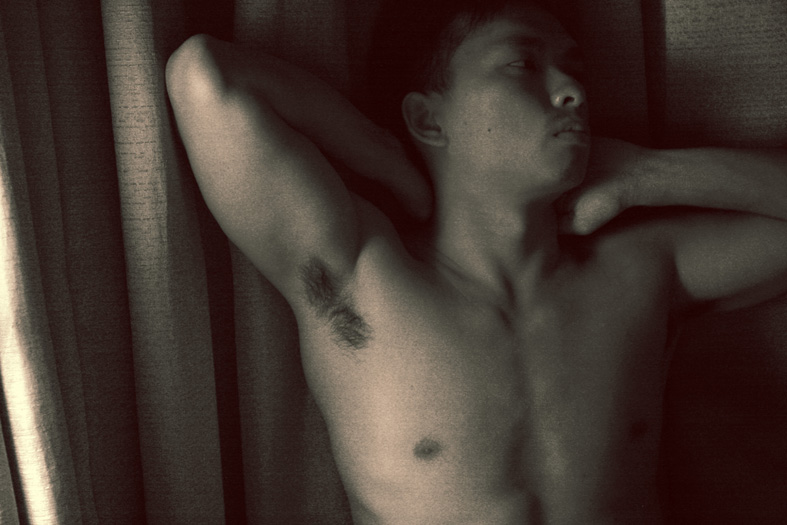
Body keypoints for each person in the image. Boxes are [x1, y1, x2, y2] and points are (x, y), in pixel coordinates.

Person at [165, 0, 787, 522]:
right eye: (523, 65)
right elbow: (204, 76)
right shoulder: (362, 277)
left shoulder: (639, 271)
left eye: (574, 71)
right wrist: (389, 161)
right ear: (428, 118)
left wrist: (646, 174)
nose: (572, 92)